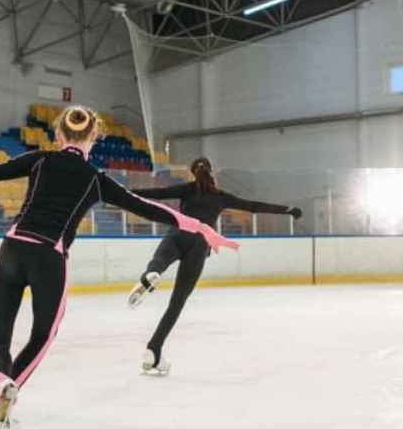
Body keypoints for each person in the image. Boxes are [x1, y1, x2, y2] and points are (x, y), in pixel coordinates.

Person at [0, 107, 239, 429]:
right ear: (95, 137)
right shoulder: (96, 180)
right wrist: (201, 228)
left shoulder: (39, 160)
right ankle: (1, 400)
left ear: (57, 135)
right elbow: (147, 208)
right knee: (43, 335)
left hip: (10, 249)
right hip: (48, 258)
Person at [127, 157, 302, 376]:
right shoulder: (221, 197)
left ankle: (151, 274)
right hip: (200, 245)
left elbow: (155, 195)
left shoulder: (186, 189)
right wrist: (288, 210)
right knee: (177, 302)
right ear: (213, 173)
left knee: (158, 262)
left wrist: (118, 194)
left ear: (193, 173)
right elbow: (253, 206)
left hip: (178, 233)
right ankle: (153, 350)